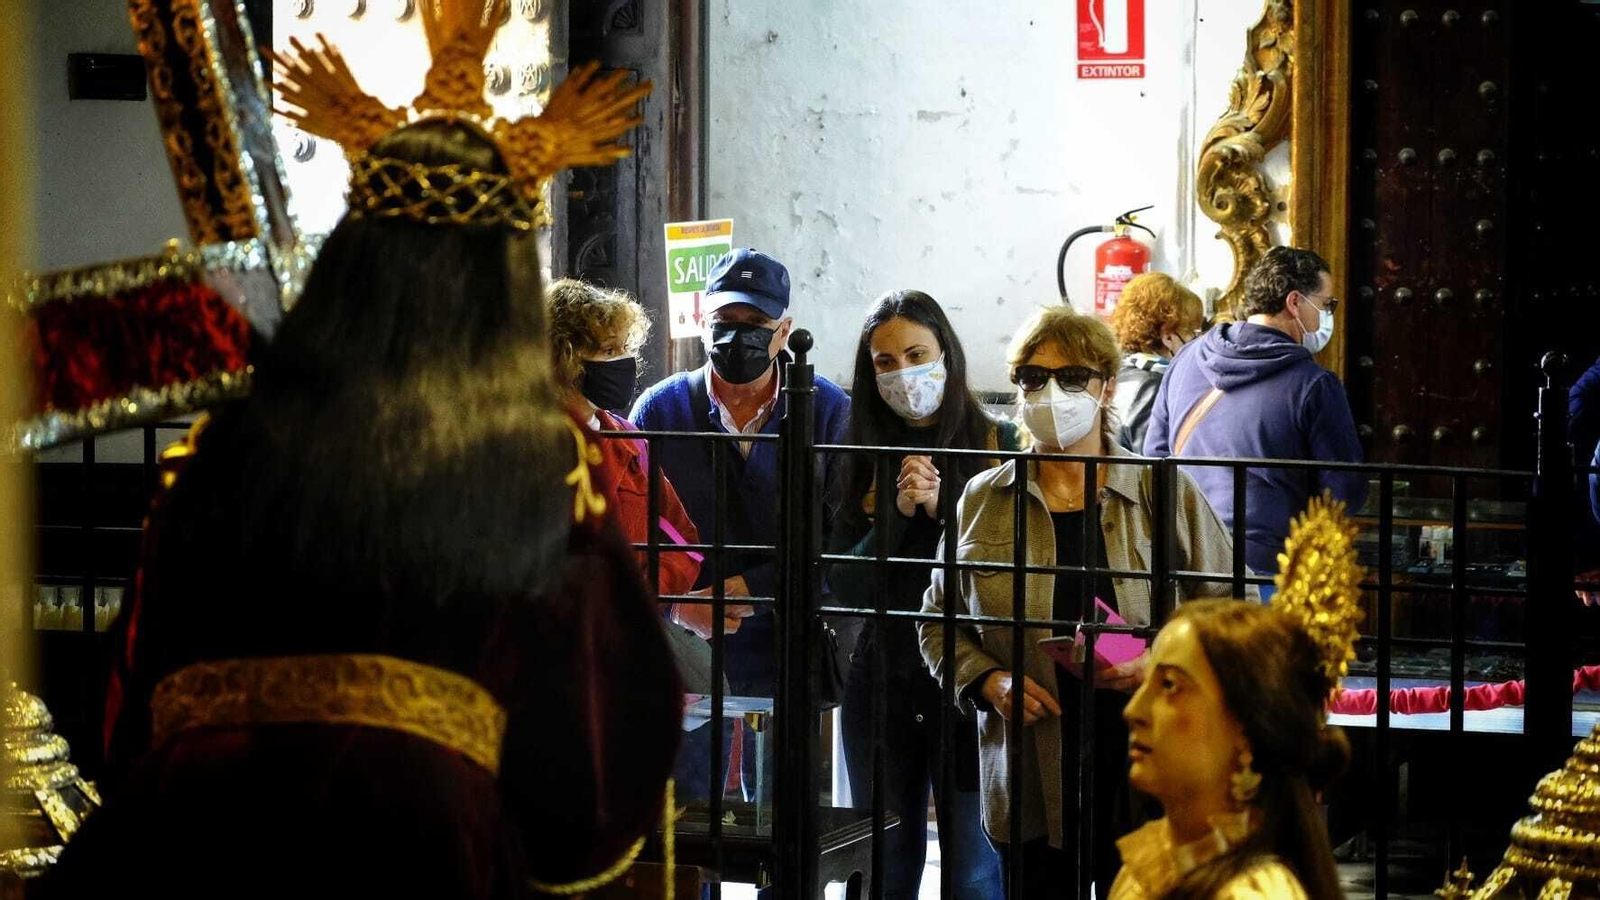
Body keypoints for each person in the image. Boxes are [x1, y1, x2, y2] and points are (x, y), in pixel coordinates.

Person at [51, 10, 680, 895]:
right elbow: (600, 733)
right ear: (504, 289)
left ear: (345, 260)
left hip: (190, 832)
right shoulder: (543, 462)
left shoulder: (222, 443)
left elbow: (133, 686)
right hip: (420, 840)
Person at [918, 305, 1252, 900]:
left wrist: (1163, 664)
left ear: (1107, 387)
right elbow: (935, 623)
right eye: (1033, 377)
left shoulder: (1159, 489)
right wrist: (988, 681)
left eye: (1072, 377)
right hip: (1028, 770)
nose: (1051, 393)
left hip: (1149, 767)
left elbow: (1236, 608)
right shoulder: (982, 500)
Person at [630, 247, 850, 801]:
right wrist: (676, 606)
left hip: (789, 643)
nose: (737, 337)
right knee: (686, 811)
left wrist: (754, 588)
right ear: (702, 319)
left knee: (782, 814)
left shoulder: (826, 411)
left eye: (755, 324)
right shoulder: (659, 411)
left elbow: (843, 544)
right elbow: (628, 536)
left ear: (784, 331)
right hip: (687, 650)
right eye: (725, 321)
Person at [826, 289, 1011, 900]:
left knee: (974, 866)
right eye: (885, 362)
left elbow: (1013, 570)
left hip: (971, 675)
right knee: (882, 864)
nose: (903, 374)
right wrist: (896, 515)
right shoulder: (858, 450)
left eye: (916, 355)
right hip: (884, 673)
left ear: (946, 355)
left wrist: (944, 510)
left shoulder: (996, 442)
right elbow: (844, 581)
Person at [1112, 497, 1360, 899]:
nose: (1133, 710)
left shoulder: (1251, 893)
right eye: (1148, 684)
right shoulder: (1152, 862)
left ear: (1245, 730)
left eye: (1170, 686)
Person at [1143, 247, 1366, 599]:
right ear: (1295, 302)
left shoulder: (1186, 358)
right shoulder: (1314, 385)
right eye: (1326, 305)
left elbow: (1154, 455)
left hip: (1184, 564)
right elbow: (1341, 493)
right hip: (1267, 571)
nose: (1326, 317)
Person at [546, 278, 702, 597]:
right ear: (565, 358)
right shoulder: (518, 444)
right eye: (608, 350)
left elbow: (683, 542)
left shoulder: (630, 441)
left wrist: (639, 595)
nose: (624, 361)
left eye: (624, 347)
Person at [1109, 273, 1205, 453]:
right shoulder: (1155, 385)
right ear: (1168, 336)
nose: (1196, 341)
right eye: (1192, 332)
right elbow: (1152, 460)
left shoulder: (1119, 370)